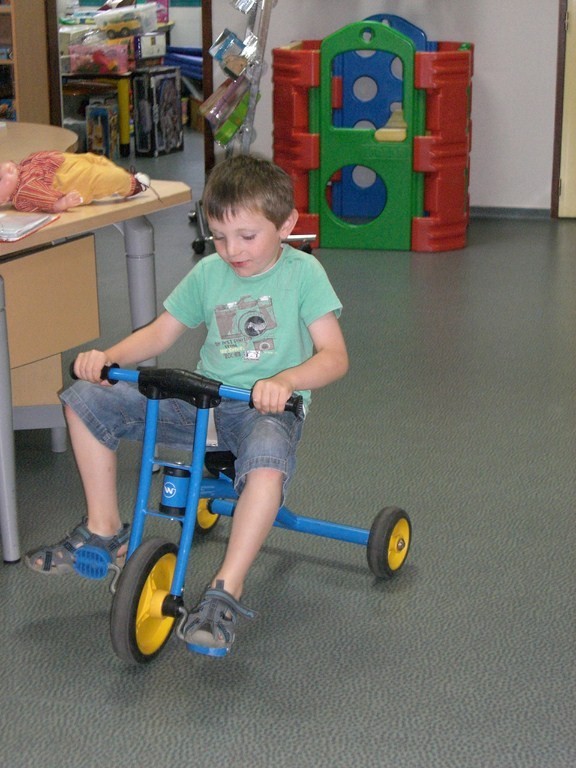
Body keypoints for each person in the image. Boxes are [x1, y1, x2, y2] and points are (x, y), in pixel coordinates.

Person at [24, 154, 349, 657]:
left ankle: (226, 589)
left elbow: (334, 357)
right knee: (84, 399)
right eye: (219, 236)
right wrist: (108, 359)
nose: (231, 250)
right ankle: (105, 529)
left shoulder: (303, 274)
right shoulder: (210, 273)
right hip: (203, 403)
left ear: (285, 226)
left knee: (265, 465)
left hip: (266, 411)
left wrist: (285, 381)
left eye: (246, 236)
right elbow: (161, 332)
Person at [0, 151, 150, 213]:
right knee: (99, 177)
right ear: (3, 199)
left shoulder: (22, 167)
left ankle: (122, 173)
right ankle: (131, 184)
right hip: (68, 180)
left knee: (94, 159)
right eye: (1, 178)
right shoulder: (25, 188)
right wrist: (63, 203)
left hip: (65, 163)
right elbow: (46, 201)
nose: (6, 169)